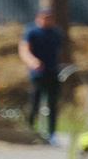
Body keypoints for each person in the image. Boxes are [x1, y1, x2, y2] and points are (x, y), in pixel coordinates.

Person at [19, 9, 65, 142]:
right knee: (34, 102)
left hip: (52, 71)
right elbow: (24, 49)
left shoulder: (56, 32)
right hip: (37, 73)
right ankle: (29, 130)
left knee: (52, 104)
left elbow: (59, 51)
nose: (46, 21)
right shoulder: (31, 31)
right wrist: (32, 61)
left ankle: (51, 133)